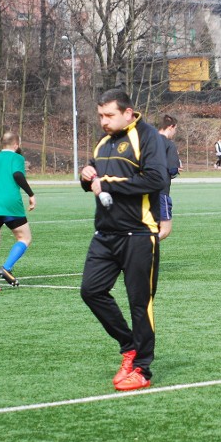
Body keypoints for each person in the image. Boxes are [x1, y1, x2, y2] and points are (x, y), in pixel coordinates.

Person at [79, 89, 167, 392]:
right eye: (100, 116)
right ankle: (129, 345)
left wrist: (110, 184)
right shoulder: (103, 143)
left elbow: (157, 179)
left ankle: (142, 368)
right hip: (104, 234)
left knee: (139, 303)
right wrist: (85, 175)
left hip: (139, 235)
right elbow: (95, 182)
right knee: (90, 291)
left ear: (128, 113)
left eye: (109, 115)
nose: (103, 121)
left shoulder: (148, 137)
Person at [0, 132, 36, 292]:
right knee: (25, 237)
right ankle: (6, 268)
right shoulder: (17, 158)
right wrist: (31, 194)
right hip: (9, 203)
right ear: (16, 144)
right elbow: (17, 174)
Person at [157, 114, 180, 240]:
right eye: (175, 129)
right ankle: (139, 250)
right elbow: (172, 170)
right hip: (161, 191)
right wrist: (176, 168)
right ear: (171, 127)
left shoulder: (145, 141)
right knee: (164, 230)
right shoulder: (169, 144)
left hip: (142, 192)